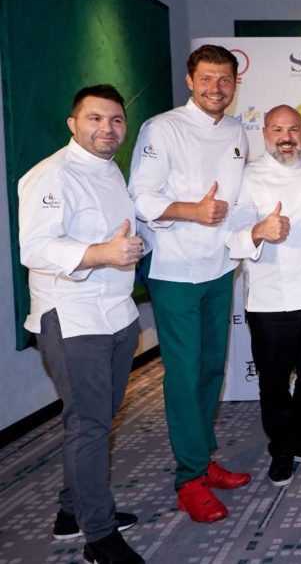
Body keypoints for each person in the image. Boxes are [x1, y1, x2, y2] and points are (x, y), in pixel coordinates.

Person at [19, 85, 144, 564]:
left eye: (116, 120)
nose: (107, 129)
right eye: (95, 118)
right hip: (72, 316)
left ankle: (72, 512)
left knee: (97, 419)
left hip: (116, 312)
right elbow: (35, 248)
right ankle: (99, 536)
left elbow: (119, 237)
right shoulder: (51, 175)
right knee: (89, 425)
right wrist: (102, 254)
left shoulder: (111, 170)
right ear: (73, 124)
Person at [129, 44, 251, 523]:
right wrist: (191, 211)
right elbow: (140, 197)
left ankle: (202, 457)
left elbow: (237, 201)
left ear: (235, 84)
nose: (216, 88)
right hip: (175, 269)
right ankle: (189, 478)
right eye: (207, 78)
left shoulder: (238, 131)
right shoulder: (162, 128)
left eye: (224, 80)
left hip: (219, 267)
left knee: (210, 369)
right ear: (189, 80)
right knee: (183, 374)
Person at [227, 105, 301, 488]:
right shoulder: (247, 176)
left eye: (293, 129)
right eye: (277, 129)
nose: (286, 137)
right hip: (269, 301)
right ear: (265, 134)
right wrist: (260, 230)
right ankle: (282, 449)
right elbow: (233, 236)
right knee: (273, 383)